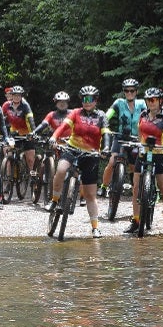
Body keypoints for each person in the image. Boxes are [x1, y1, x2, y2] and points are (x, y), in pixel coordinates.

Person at [47, 85, 110, 238]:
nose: (87, 102)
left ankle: (95, 227)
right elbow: (63, 127)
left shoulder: (101, 116)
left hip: (91, 154)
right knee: (61, 170)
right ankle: (55, 200)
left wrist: (106, 148)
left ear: (96, 100)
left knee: (90, 195)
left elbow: (106, 134)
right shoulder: (75, 113)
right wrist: (54, 137)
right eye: (84, 99)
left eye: (90, 99)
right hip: (72, 148)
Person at [124, 87, 163, 234]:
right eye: (148, 100)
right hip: (143, 153)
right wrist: (138, 144)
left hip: (160, 154)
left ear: (160, 101)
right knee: (136, 188)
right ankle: (136, 220)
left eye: (153, 100)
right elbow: (140, 133)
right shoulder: (143, 114)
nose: (150, 103)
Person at [99, 79, 146, 197]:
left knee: (133, 166)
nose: (129, 93)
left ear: (136, 92)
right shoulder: (119, 102)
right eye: (126, 90)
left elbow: (148, 117)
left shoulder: (142, 104)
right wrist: (103, 125)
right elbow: (107, 116)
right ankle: (104, 187)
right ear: (124, 92)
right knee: (112, 161)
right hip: (120, 137)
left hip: (135, 139)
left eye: (132, 90)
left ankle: (135, 188)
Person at [2, 85, 37, 183]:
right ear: (11, 95)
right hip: (14, 133)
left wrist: (33, 133)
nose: (17, 97)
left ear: (21, 96)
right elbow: (0, 119)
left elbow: (30, 120)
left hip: (27, 133)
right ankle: (9, 180)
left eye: (19, 95)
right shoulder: (6, 105)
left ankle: (32, 178)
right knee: (9, 155)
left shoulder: (25, 105)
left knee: (30, 159)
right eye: (15, 95)